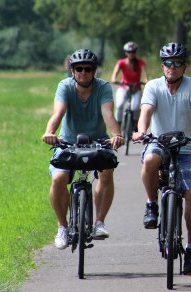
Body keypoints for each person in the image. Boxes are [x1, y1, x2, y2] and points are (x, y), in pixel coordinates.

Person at [132, 42, 191, 275]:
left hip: (187, 147)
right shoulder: (153, 86)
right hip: (159, 142)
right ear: (162, 65)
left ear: (184, 67)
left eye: (178, 63)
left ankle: (190, 247)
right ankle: (151, 205)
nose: (172, 67)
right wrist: (141, 131)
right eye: (168, 63)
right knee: (150, 161)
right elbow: (145, 113)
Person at [42, 49, 125, 250]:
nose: (83, 73)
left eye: (88, 69)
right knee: (58, 179)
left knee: (106, 173)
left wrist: (116, 134)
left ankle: (99, 222)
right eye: (79, 69)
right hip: (68, 142)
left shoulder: (103, 87)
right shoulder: (65, 86)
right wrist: (50, 132)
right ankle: (62, 227)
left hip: (98, 142)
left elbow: (108, 114)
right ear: (72, 71)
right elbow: (58, 112)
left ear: (94, 71)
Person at [110, 41, 149, 127]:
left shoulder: (140, 62)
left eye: (133, 51)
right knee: (119, 105)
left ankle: (136, 126)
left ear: (136, 52)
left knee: (135, 108)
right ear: (126, 52)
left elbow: (144, 72)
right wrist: (113, 78)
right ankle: (118, 126)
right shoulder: (121, 62)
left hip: (136, 88)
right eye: (129, 52)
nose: (131, 54)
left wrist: (146, 80)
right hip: (124, 87)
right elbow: (115, 72)